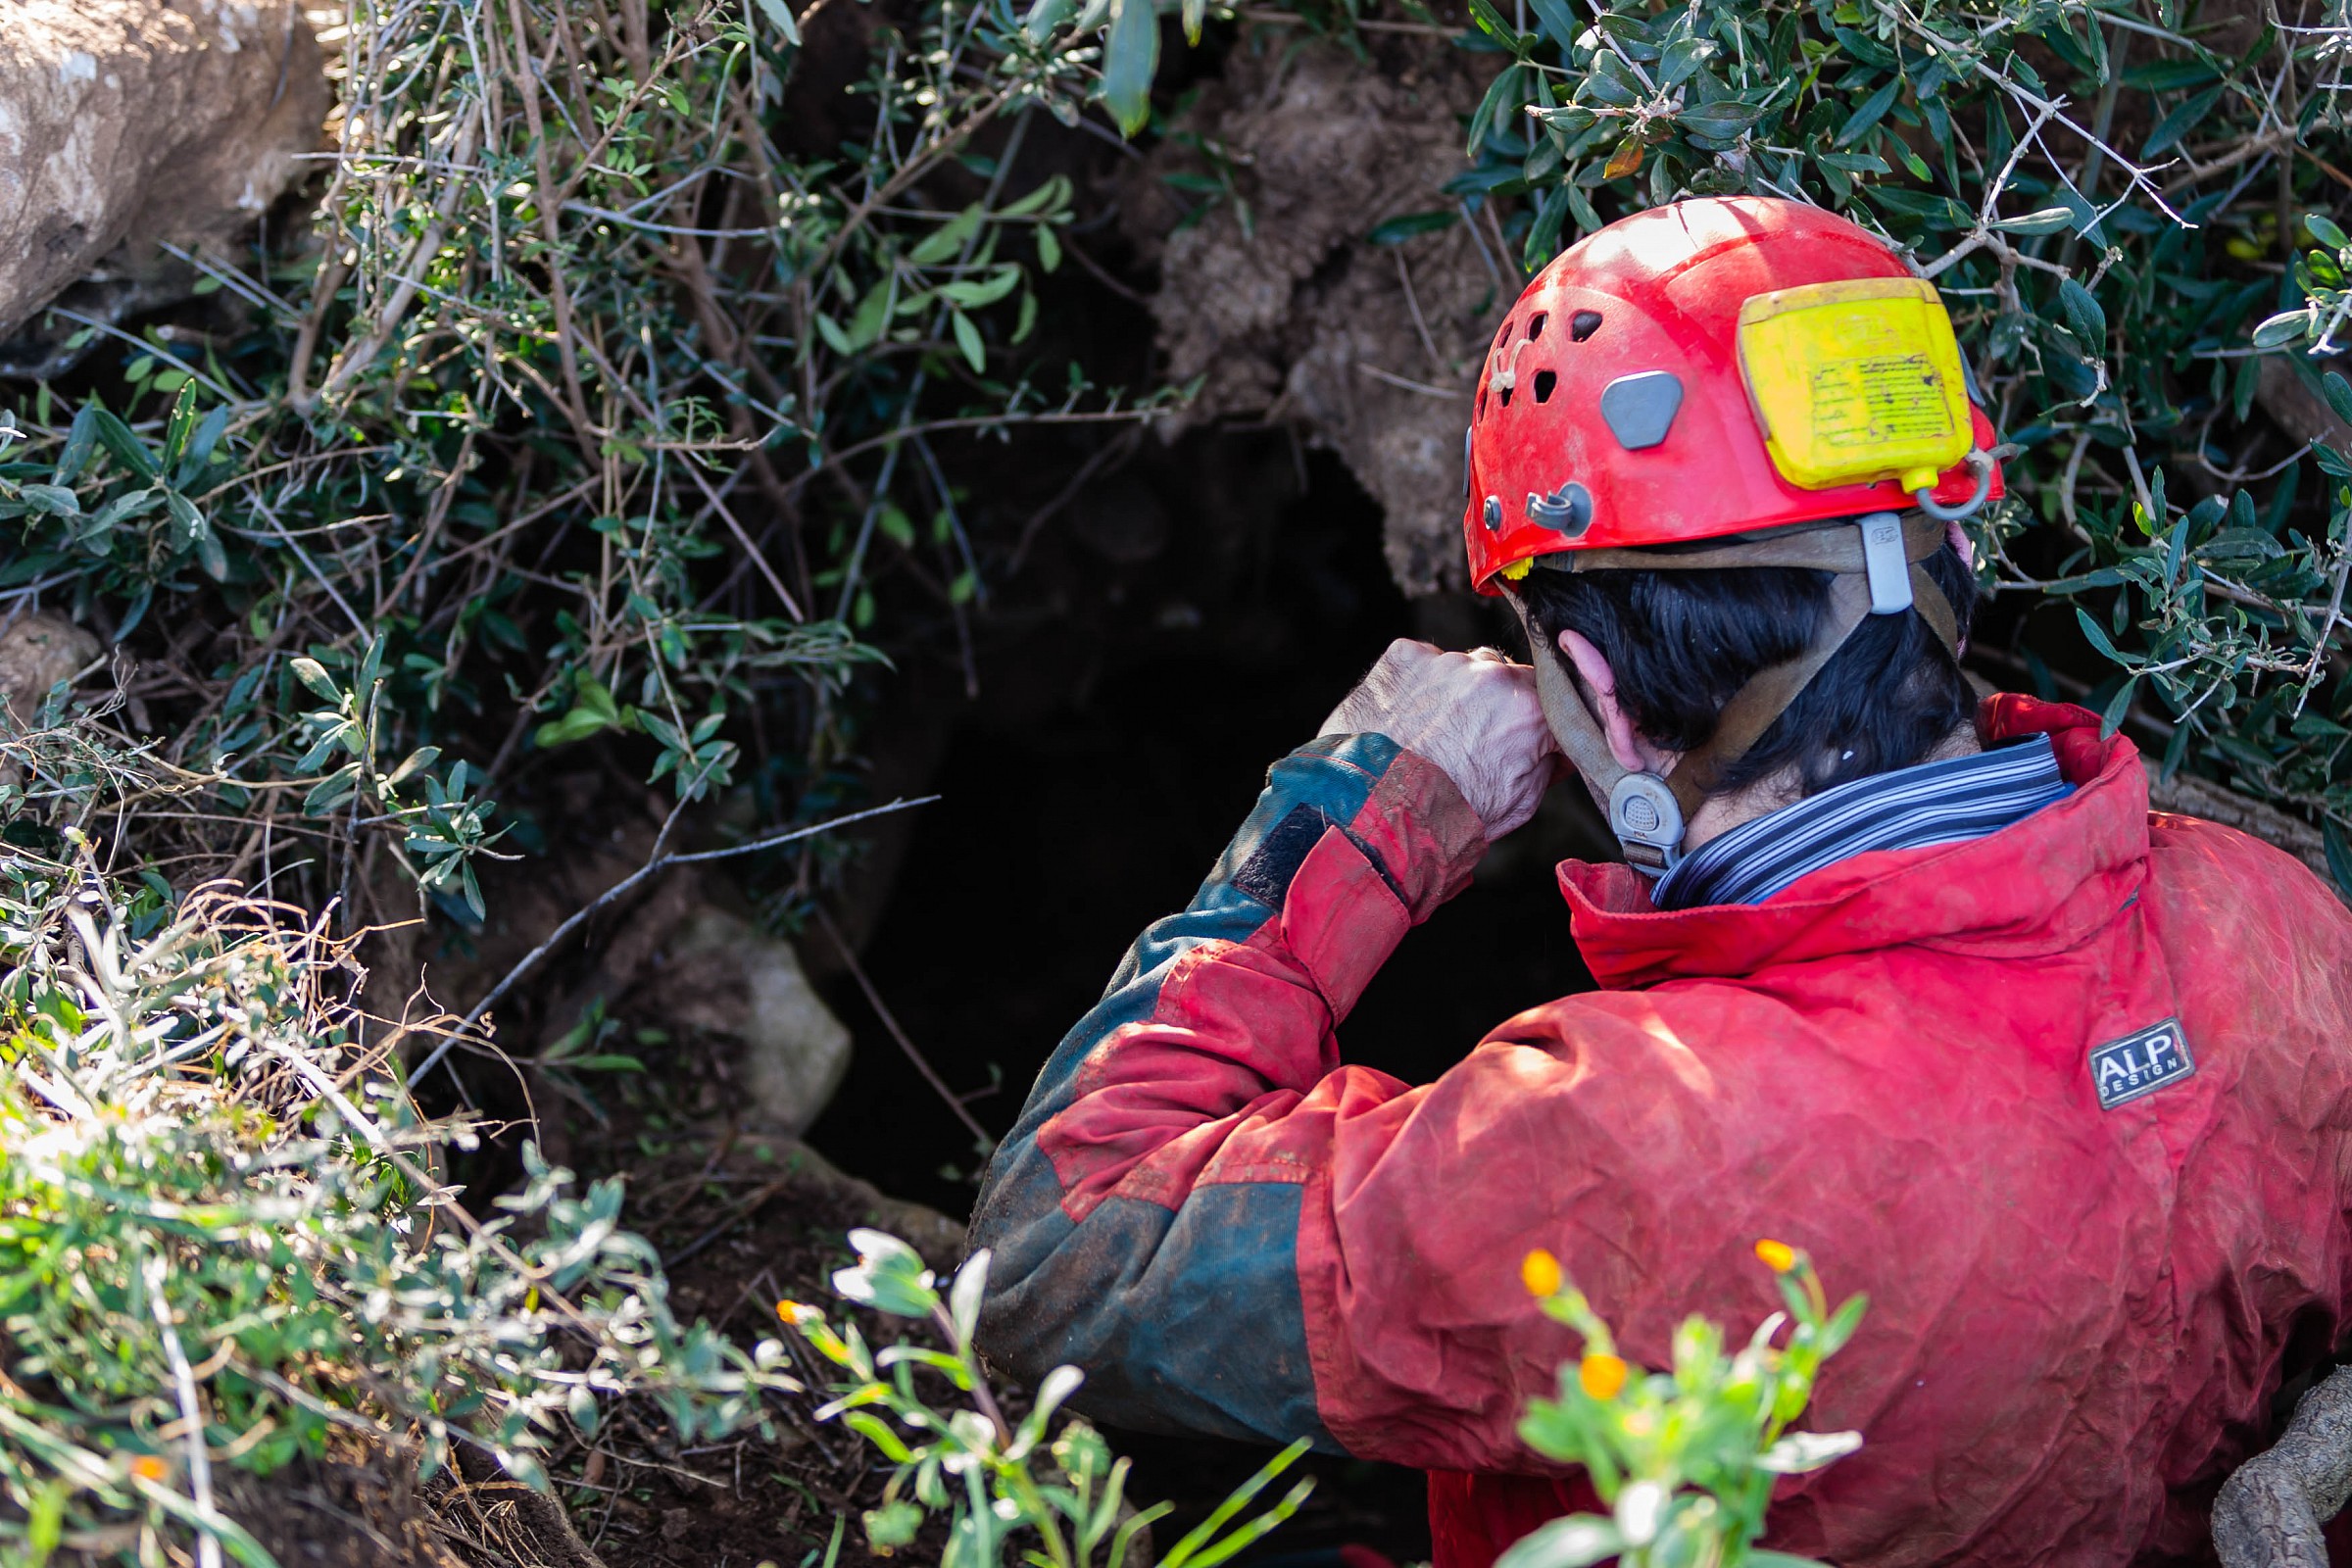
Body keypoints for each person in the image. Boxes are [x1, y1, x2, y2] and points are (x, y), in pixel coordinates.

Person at [966, 196, 2352, 1566]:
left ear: (1592, 690)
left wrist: (1356, 813)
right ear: (1955, 567)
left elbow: (1050, 1267)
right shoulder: (2273, 922)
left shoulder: (1632, 1139)